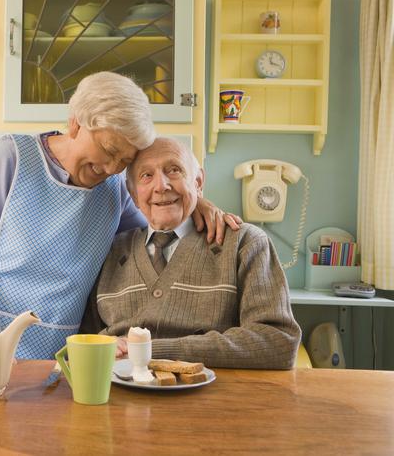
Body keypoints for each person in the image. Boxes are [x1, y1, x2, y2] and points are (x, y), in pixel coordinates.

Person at [0, 72, 241, 360]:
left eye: (125, 160)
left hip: (64, 356)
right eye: (108, 150)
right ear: (76, 123)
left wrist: (192, 201)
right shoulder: (14, 158)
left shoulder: (115, 189)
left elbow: (153, 230)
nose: (111, 168)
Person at [80, 137, 301, 369]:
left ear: (198, 182)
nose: (161, 186)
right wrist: (102, 346)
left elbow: (278, 342)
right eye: (146, 175)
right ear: (133, 194)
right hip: (118, 395)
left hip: (211, 398)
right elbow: (85, 340)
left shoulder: (244, 243)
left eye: (174, 170)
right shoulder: (111, 249)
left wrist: (147, 351)